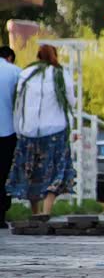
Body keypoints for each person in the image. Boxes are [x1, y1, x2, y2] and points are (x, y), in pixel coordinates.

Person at [6, 44, 76, 215]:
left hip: (28, 132)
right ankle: (46, 211)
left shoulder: (25, 74)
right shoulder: (61, 74)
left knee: (32, 172)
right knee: (55, 172)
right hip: (55, 131)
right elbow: (71, 101)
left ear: (37, 57)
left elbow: (18, 104)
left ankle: (35, 212)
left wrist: (19, 128)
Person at [0, 46, 21, 228]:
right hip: (6, 131)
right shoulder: (15, 71)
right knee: (4, 173)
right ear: (9, 57)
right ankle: (1, 215)